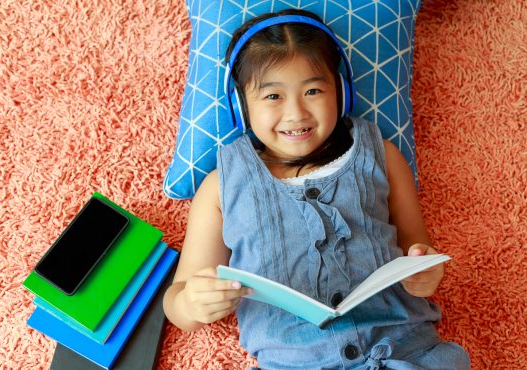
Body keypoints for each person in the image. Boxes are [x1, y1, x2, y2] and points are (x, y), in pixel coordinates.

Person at [163, 9, 470, 369]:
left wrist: (425, 273)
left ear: (341, 91)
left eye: (312, 90)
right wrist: (192, 303)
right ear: (241, 107)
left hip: (404, 352)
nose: (296, 113)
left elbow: (418, 250)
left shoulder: (382, 155)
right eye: (273, 96)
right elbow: (177, 302)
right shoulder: (219, 187)